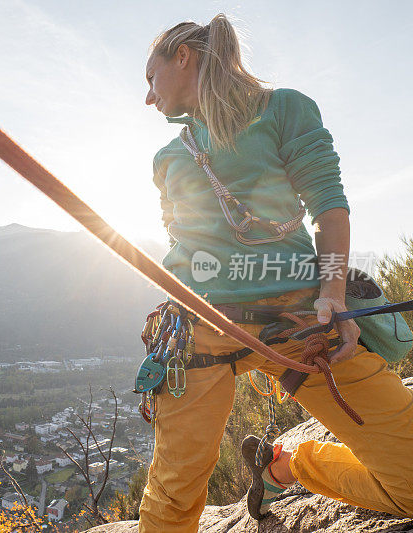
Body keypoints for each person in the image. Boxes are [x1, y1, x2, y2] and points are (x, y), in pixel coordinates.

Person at [139, 14, 413, 532]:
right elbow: (179, 239)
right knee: (175, 495)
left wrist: (333, 294)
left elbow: (329, 206)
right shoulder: (167, 158)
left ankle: (289, 465)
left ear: (183, 56)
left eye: (150, 79)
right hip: (199, 330)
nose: (148, 99)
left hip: (300, 324)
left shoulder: (284, 109)